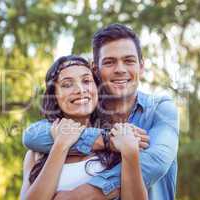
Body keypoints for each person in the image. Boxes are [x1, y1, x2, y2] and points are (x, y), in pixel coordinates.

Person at [23, 24, 179, 200]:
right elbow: (31, 135)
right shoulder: (90, 113)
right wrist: (105, 139)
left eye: (129, 60)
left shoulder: (160, 109)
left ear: (141, 66)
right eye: (109, 62)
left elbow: (155, 162)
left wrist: (90, 192)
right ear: (96, 70)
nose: (120, 69)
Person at [20, 55, 149, 200]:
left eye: (86, 81)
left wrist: (130, 152)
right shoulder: (36, 154)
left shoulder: (117, 141)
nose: (80, 90)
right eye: (67, 84)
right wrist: (60, 146)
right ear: (54, 96)